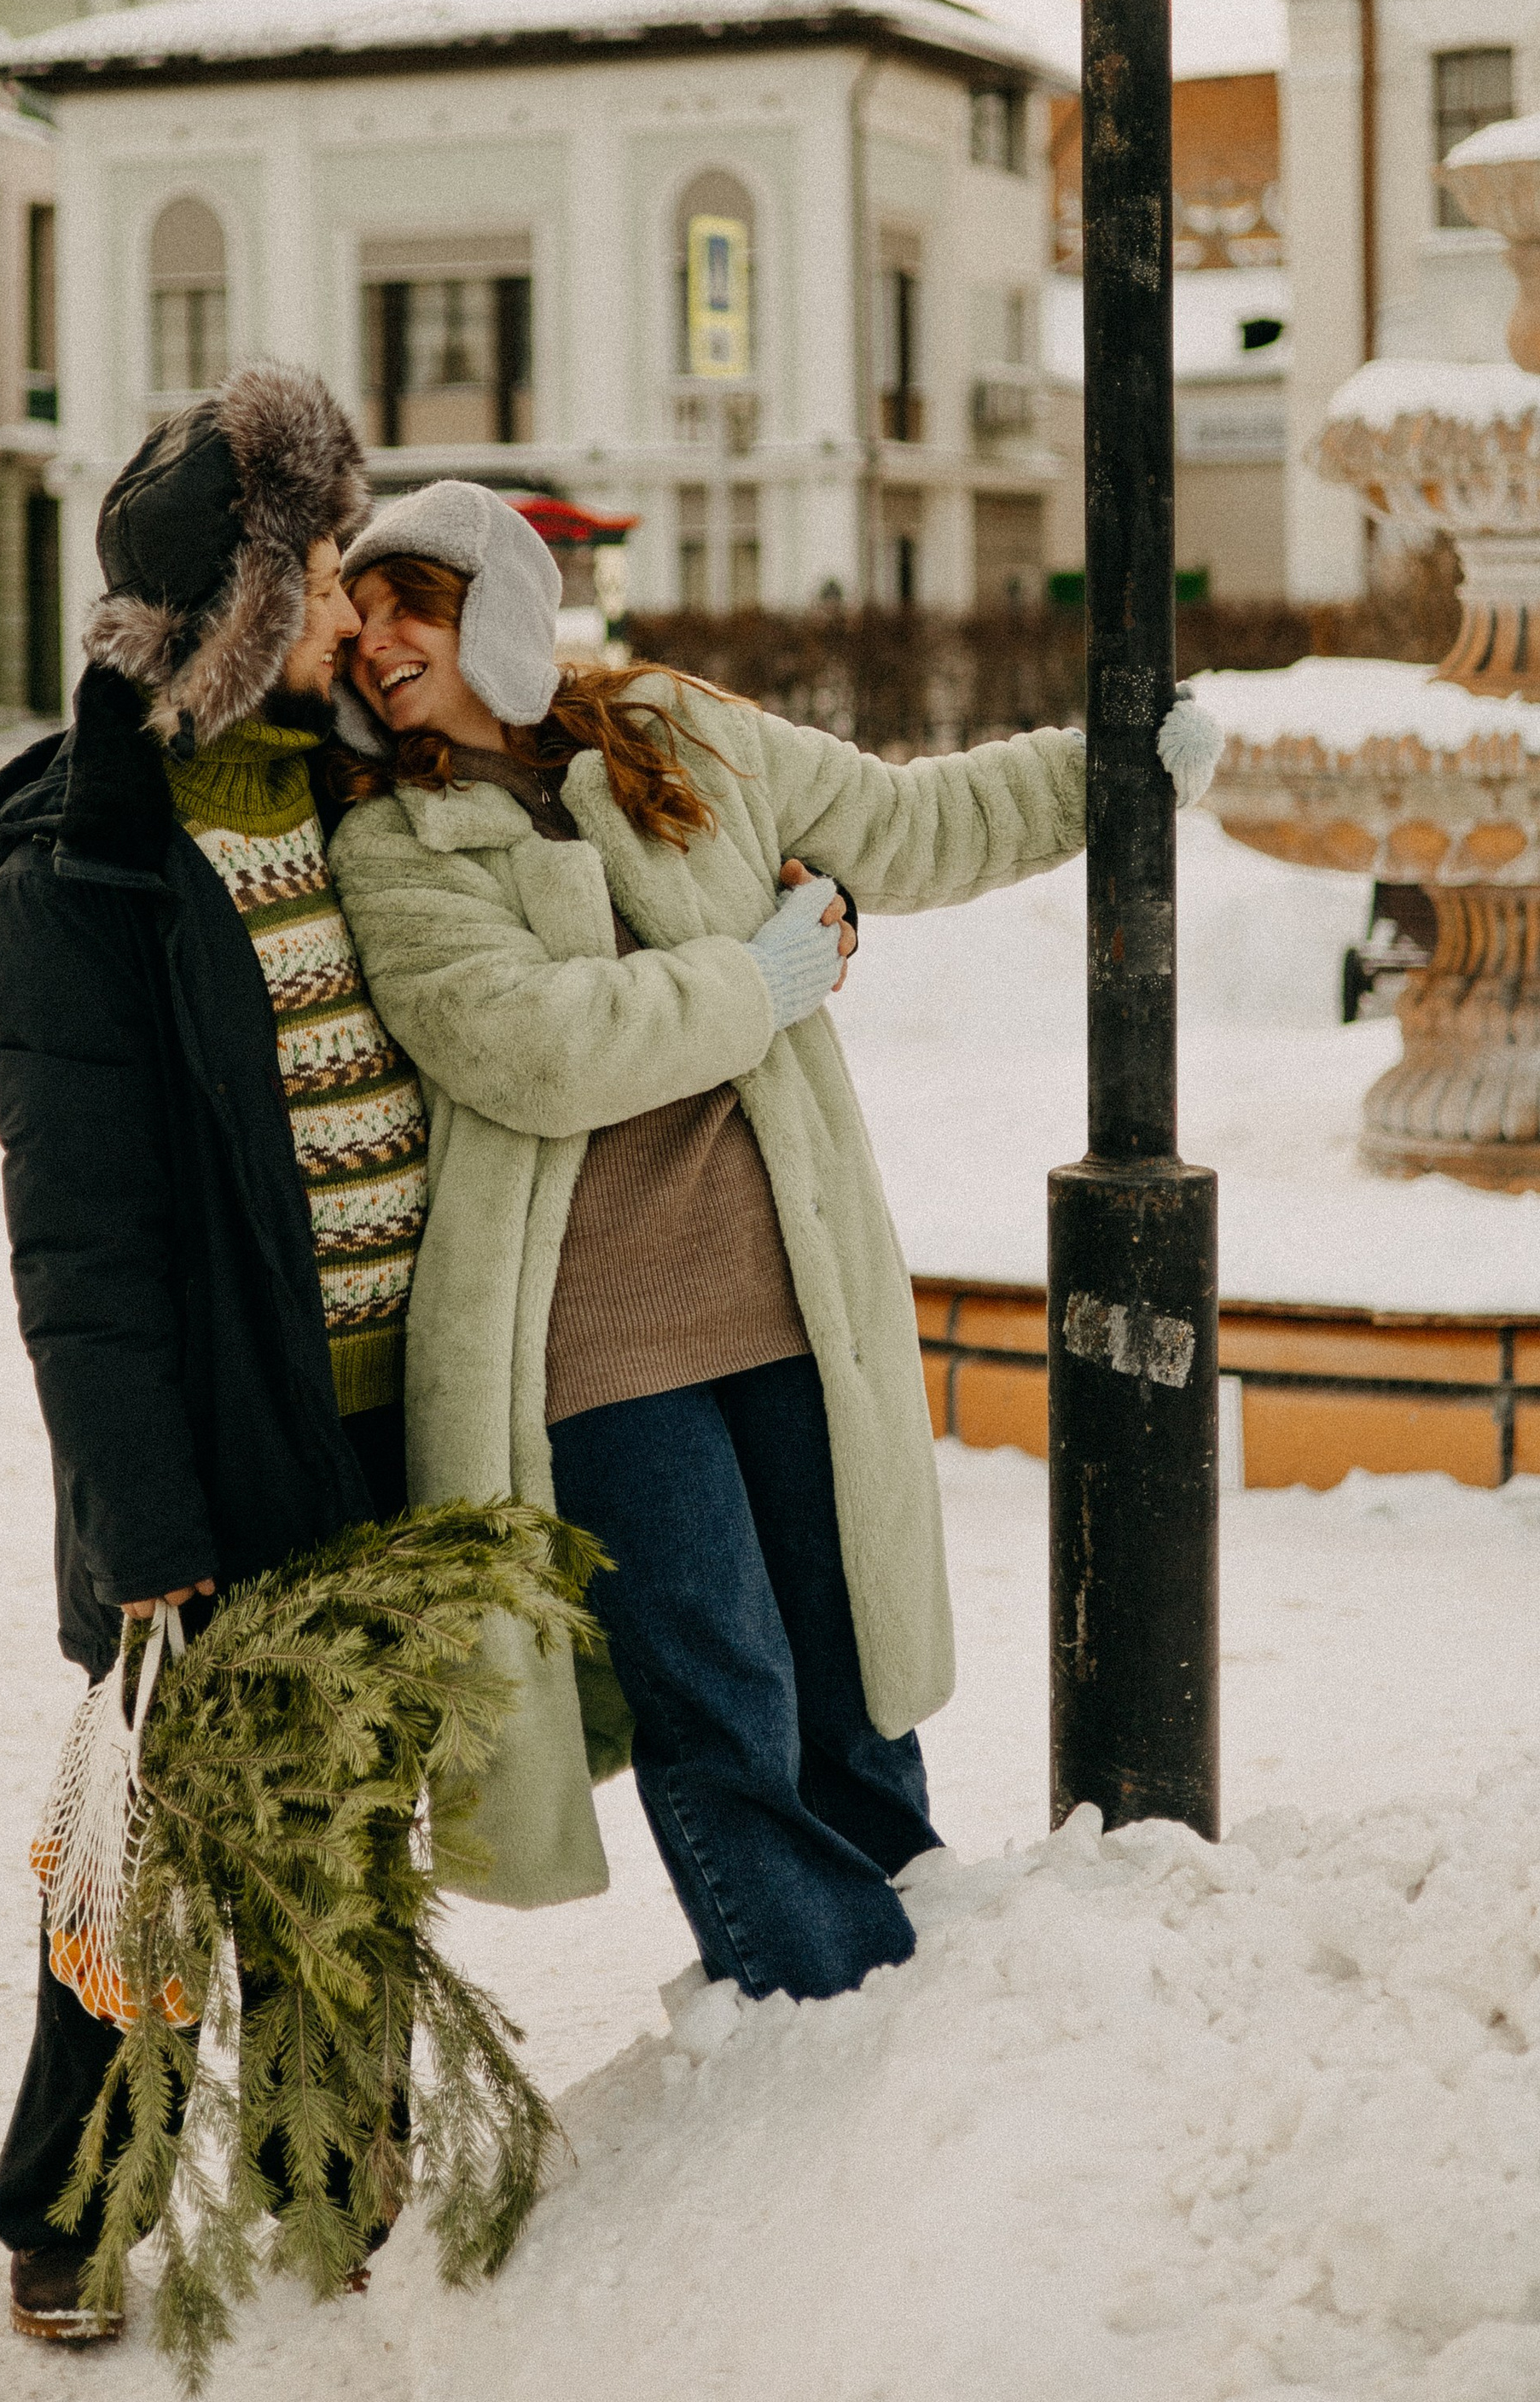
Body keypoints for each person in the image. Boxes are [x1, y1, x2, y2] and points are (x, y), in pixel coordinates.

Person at [325, 480, 1222, 2010]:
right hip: (592, 1350)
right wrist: (768, 974)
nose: (376, 644)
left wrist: (1118, 771)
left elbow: (913, 818)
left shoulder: (679, 733)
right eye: (359, 627)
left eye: (411, 602)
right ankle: (815, 2037)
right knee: (726, 1702)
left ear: (505, 607)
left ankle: (922, 2017)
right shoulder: (399, 851)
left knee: (849, 1674)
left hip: (787, 1294)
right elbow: (537, 1047)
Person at [0, 362, 427, 2346]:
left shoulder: (362, 800)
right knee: (152, 1862)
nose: (355, 606)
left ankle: (342, 2190)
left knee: (351, 1838)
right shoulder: (79, 884)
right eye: (326, 566)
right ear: (251, 609)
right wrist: (142, 1529)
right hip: (196, 1467)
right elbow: (84, 1256)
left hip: (380, 1434)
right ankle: (72, 2207)